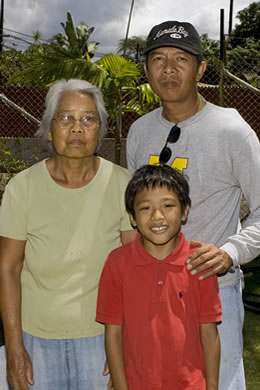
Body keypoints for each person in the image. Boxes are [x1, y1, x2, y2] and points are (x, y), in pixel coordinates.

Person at [126, 20, 260, 390]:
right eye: (158, 59)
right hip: (152, 291)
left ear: (201, 68)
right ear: (147, 69)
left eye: (181, 59)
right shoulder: (139, 132)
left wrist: (230, 252)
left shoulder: (230, 131)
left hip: (213, 291)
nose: (169, 68)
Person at [0, 78, 136, 390]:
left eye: (89, 119)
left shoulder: (122, 184)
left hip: (102, 339)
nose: (77, 128)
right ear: (49, 129)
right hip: (35, 341)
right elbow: (8, 268)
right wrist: (14, 348)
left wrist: (126, 343)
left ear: (100, 131)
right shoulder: (22, 187)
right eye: (66, 118)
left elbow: (135, 269)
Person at [96, 164, 221, 390]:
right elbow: (112, 333)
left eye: (168, 205)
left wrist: (212, 386)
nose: (157, 216)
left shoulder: (200, 262)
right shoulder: (117, 263)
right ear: (132, 217)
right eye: (145, 208)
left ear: (184, 211)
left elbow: (209, 332)